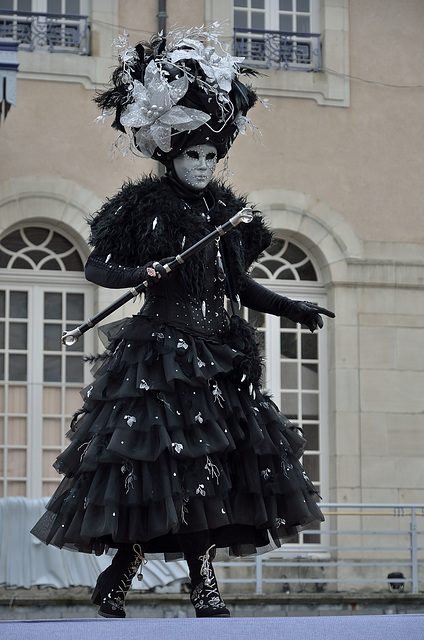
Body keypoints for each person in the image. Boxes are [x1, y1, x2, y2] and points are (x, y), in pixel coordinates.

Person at [31, 26, 335, 619]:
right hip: (161, 356)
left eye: (210, 156)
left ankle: (188, 580)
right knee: (165, 474)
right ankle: (138, 568)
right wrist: (141, 271)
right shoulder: (142, 207)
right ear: (171, 155)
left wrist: (296, 309)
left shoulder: (227, 214)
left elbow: (239, 286)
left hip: (218, 355)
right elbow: (98, 266)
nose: (201, 165)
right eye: (191, 155)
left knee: (211, 476)